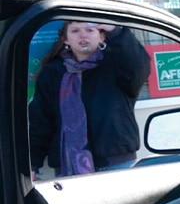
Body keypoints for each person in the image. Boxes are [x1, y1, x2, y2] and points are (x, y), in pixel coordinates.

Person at [29, 21, 152, 177]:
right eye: (75, 31)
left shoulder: (116, 65)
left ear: (101, 38)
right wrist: (33, 163)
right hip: (68, 166)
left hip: (116, 164)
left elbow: (140, 66)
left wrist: (116, 32)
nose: (83, 35)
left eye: (89, 30)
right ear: (65, 40)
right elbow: (41, 121)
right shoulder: (53, 72)